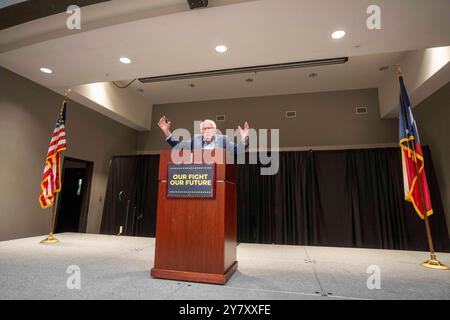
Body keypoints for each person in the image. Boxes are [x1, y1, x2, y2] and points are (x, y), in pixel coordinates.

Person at [157, 116, 249, 152]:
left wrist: (244, 139)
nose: (207, 130)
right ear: (201, 131)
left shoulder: (223, 139)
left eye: (210, 128)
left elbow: (237, 150)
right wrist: (166, 131)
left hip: (218, 176)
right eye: (204, 128)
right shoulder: (196, 140)